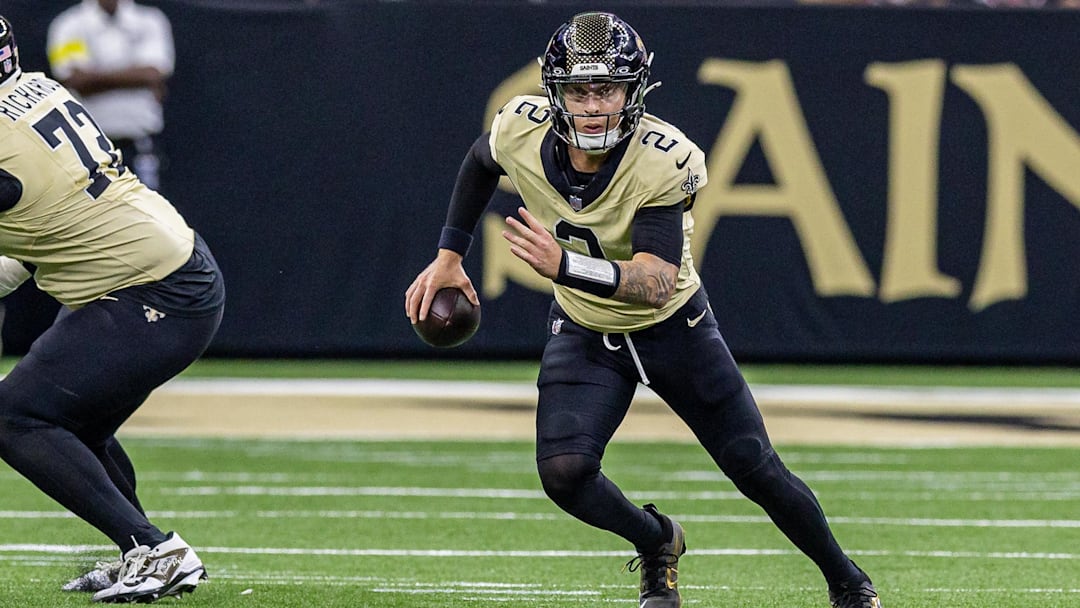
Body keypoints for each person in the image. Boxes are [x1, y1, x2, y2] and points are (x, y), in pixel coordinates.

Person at [405, 11, 882, 608]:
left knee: (753, 466)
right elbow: (481, 162)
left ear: (635, 91)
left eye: (606, 88)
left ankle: (847, 580)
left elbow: (654, 282)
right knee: (564, 472)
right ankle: (658, 542)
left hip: (672, 329)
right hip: (584, 327)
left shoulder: (662, 157)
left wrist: (565, 266)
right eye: (579, 89)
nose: (593, 105)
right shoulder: (519, 129)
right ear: (554, 92)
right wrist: (450, 255)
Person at [0, 15, 222, 604]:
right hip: (163, 267)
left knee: (13, 416)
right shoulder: (40, 89)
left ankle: (154, 548)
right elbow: (33, 237)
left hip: (152, 289)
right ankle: (143, 553)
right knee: (75, 423)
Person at [46, 0, 174, 192]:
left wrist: (94, 77)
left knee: (147, 215)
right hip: (87, 150)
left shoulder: (150, 21)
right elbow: (74, 80)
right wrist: (136, 77)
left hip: (139, 142)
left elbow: (154, 73)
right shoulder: (68, 24)